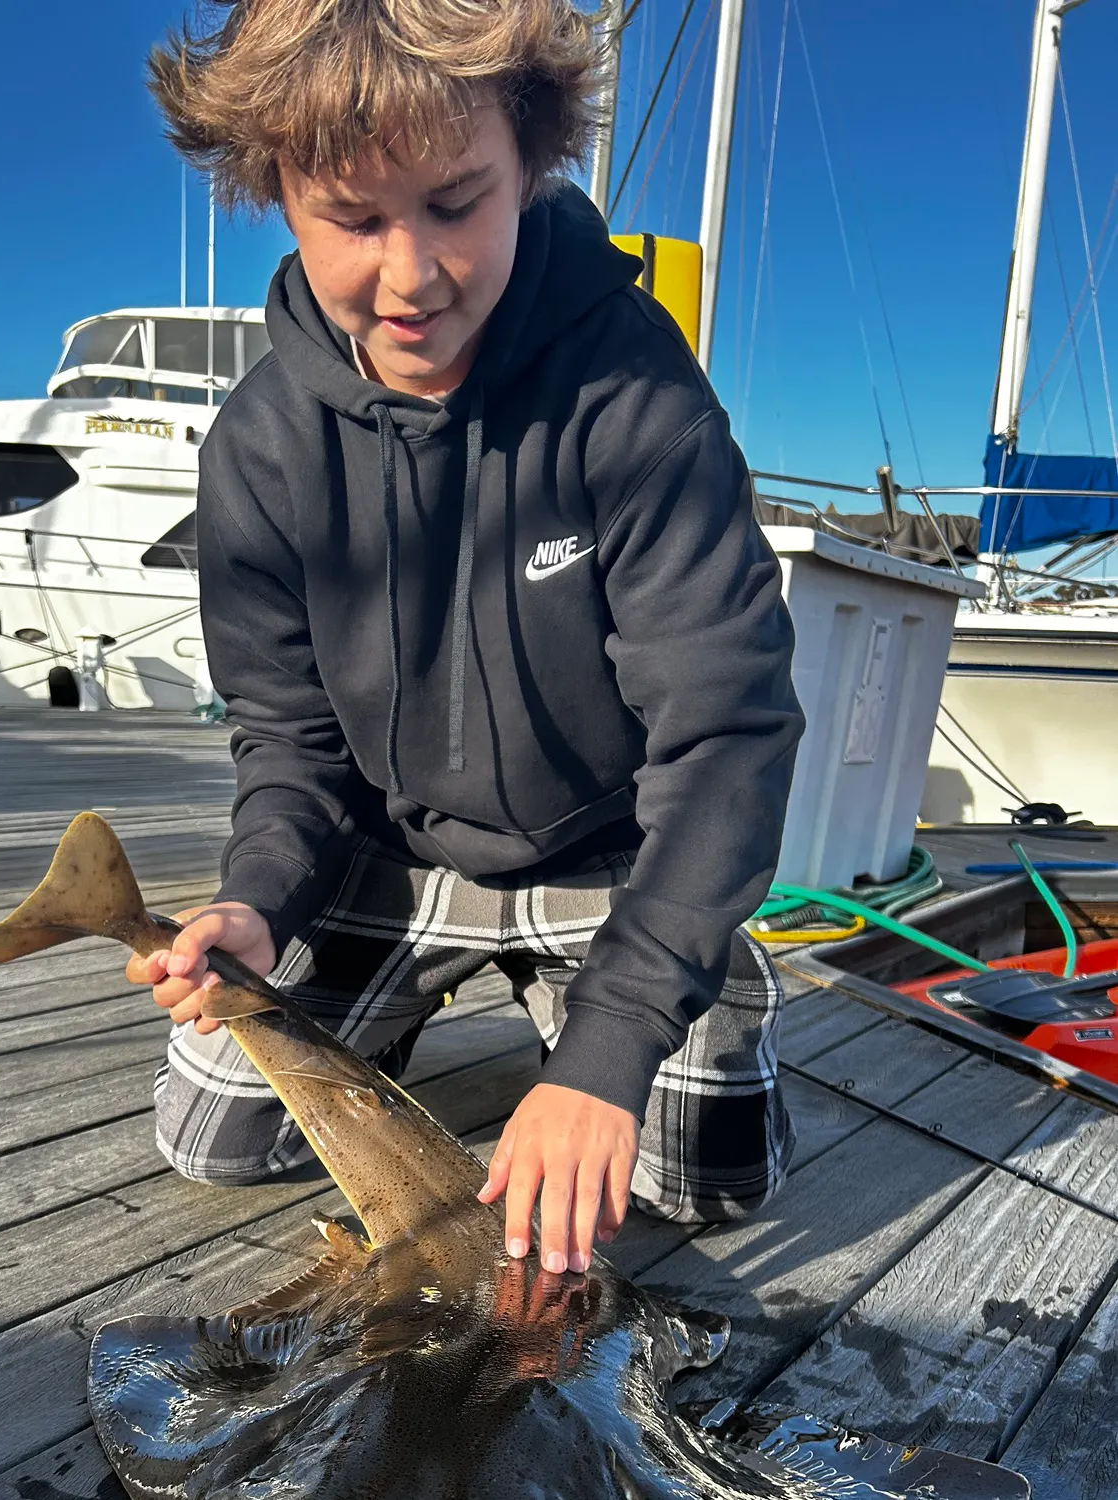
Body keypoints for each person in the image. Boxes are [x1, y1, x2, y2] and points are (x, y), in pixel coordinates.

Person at [130, 0, 806, 1278]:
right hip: (395, 853)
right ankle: (414, 1013)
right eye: (354, 216)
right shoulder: (260, 448)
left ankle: (657, 985)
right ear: (274, 192)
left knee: (707, 1178)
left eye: (456, 202)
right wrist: (257, 899)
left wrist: (609, 1052)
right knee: (213, 1134)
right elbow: (288, 740)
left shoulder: (636, 395)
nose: (412, 274)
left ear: (532, 164)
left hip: (608, 853)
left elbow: (727, 737)